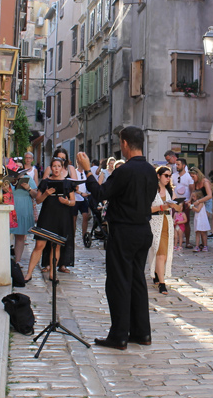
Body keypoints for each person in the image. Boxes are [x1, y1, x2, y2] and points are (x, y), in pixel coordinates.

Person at [76, 126, 158, 350]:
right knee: (137, 281)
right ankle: (142, 332)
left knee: (118, 282)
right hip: (143, 229)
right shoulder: (151, 171)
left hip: (124, 230)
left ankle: (119, 335)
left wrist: (88, 171)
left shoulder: (125, 171)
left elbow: (101, 193)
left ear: (124, 144)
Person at [23, 157, 76, 281]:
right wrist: (46, 193)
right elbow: (38, 200)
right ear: (51, 168)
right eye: (54, 166)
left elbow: (73, 201)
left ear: (62, 168)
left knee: (56, 245)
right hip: (47, 216)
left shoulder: (68, 183)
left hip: (61, 217)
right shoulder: (45, 182)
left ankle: (53, 273)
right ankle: (29, 273)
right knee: (39, 244)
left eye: (59, 166)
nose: (56, 169)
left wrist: (66, 201)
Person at [41, 147, 78, 273]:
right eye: (59, 157)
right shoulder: (50, 169)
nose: (61, 160)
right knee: (47, 236)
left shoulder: (70, 169)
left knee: (65, 234)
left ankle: (63, 263)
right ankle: (47, 263)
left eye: (63, 158)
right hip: (51, 207)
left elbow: (76, 185)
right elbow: (44, 184)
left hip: (65, 206)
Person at [148, 166, 181, 295]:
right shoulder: (152, 190)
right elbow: (147, 209)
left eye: (169, 176)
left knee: (164, 254)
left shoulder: (170, 191)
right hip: (155, 223)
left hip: (167, 223)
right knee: (160, 253)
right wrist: (163, 206)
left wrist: (175, 205)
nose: (168, 178)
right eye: (166, 175)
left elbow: (178, 208)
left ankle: (157, 273)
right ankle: (162, 283)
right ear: (158, 176)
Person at [13, 151, 39, 265]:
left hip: (23, 209)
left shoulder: (28, 178)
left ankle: (17, 261)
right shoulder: (10, 179)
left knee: (20, 237)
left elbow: (36, 195)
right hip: (12, 208)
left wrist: (28, 188)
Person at [171, 158, 194, 248]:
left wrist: (190, 200)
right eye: (176, 164)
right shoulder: (173, 176)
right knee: (174, 220)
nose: (177, 166)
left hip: (185, 200)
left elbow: (192, 190)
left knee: (186, 221)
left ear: (183, 165)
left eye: (178, 164)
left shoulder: (188, 177)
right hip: (176, 201)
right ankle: (175, 241)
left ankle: (187, 241)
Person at [190, 167, 212, 247]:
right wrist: (190, 200)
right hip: (198, 202)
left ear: (197, 175)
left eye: (193, 176)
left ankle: (204, 244)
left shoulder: (205, 182)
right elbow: (193, 192)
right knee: (199, 222)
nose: (192, 178)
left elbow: (209, 195)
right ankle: (202, 243)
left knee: (203, 223)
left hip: (206, 202)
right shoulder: (195, 183)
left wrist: (199, 201)